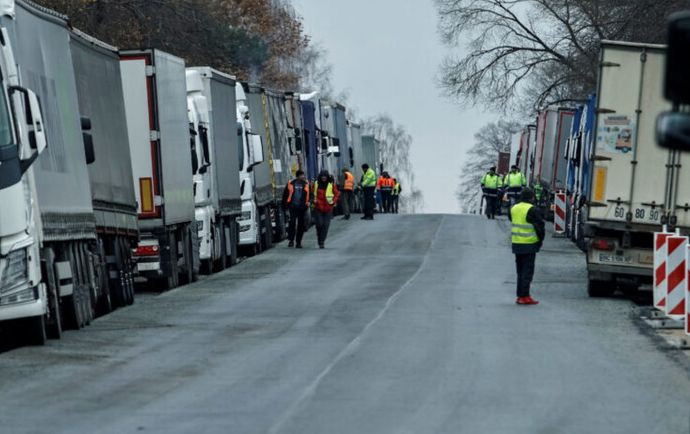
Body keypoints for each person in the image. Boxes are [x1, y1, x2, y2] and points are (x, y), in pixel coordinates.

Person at [509, 188, 545, 305]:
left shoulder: (513, 208)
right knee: (527, 272)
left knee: (520, 271)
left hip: (517, 244)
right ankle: (525, 296)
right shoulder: (532, 210)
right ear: (531, 198)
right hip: (529, 244)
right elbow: (539, 227)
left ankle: (520, 295)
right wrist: (540, 241)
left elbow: (511, 219)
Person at [282, 170, 310, 248]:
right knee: (292, 223)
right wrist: (284, 206)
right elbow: (285, 195)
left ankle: (298, 242)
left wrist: (308, 203)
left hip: (302, 208)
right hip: (293, 207)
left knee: (301, 225)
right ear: (297, 176)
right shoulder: (291, 183)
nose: (303, 177)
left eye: (303, 175)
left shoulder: (306, 184)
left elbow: (310, 195)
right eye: (302, 175)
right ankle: (291, 240)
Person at [313, 170, 340, 248]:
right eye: (322, 176)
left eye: (325, 176)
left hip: (328, 208)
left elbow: (337, 194)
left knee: (325, 225)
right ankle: (320, 238)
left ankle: (321, 241)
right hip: (318, 207)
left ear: (327, 176)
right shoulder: (316, 184)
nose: (323, 177)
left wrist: (333, 202)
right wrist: (313, 201)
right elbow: (312, 193)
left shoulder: (331, 184)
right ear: (320, 176)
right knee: (319, 224)